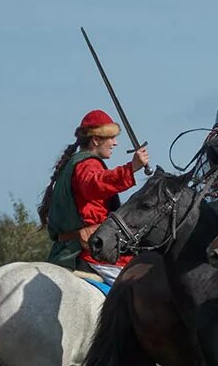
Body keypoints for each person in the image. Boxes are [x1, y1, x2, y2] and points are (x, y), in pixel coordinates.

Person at [39, 110, 150, 269]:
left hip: (67, 250)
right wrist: (131, 168)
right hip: (87, 252)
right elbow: (96, 184)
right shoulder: (87, 164)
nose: (115, 143)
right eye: (111, 138)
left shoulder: (73, 163)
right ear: (96, 140)